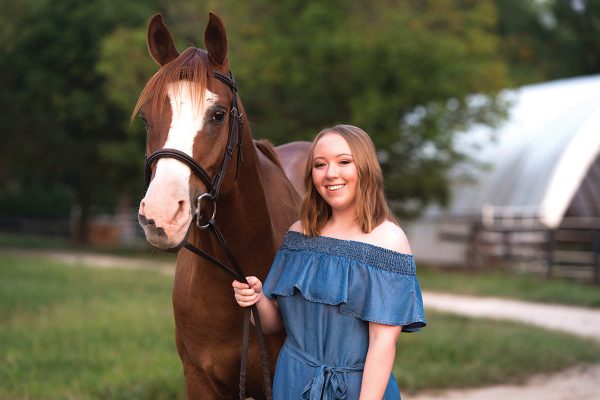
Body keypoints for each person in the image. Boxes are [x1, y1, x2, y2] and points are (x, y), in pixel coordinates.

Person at [232, 124, 426, 399]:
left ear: (366, 168)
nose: (330, 173)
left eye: (344, 162)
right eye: (320, 164)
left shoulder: (388, 241)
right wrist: (256, 299)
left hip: (356, 390)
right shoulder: (299, 234)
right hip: (293, 384)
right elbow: (273, 324)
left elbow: (383, 343)